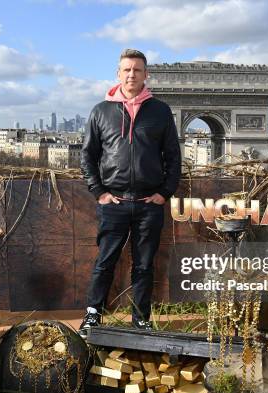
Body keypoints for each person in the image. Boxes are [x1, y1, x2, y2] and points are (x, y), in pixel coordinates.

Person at [79, 49, 181, 337]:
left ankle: (140, 318)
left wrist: (165, 192)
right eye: (127, 70)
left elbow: (173, 156)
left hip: (149, 204)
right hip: (114, 202)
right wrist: (98, 192)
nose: (132, 74)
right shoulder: (101, 111)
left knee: (144, 265)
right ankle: (93, 314)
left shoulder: (160, 111)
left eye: (137, 70)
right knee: (105, 262)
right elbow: (87, 156)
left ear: (146, 74)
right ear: (118, 73)